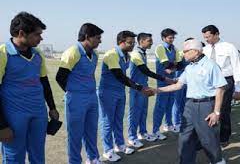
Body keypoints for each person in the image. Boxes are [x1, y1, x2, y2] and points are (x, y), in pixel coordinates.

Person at [155, 38, 227, 164]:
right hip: (189, 106)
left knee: (208, 139)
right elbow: (178, 85)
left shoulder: (211, 65)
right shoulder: (189, 68)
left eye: (186, 51)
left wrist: (216, 112)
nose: (183, 54)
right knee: (185, 137)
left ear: (195, 51)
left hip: (206, 105)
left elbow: (220, 88)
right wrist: (156, 90)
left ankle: (218, 161)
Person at [0, 12, 59, 163]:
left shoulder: (37, 54)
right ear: (21, 33)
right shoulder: (3, 54)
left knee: (38, 155)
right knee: (15, 158)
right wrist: (2, 126)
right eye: (37, 34)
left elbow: (44, 82)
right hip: (13, 116)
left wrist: (52, 107)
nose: (41, 38)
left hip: (38, 113)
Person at [98, 31, 155, 162]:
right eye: (130, 43)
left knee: (118, 120)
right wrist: (140, 88)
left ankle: (120, 145)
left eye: (133, 43)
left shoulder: (127, 56)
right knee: (108, 122)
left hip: (120, 91)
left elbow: (123, 77)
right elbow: (120, 76)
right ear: (121, 42)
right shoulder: (112, 54)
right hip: (107, 92)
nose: (132, 45)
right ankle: (108, 150)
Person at [56, 23, 103, 164]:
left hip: (92, 97)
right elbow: (60, 77)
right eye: (98, 38)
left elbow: (89, 75)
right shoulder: (73, 52)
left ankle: (93, 158)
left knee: (91, 130)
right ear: (87, 37)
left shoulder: (94, 54)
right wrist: (72, 93)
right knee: (75, 134)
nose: (100, 41)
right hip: (76, 98)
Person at [127, 33, 175, 148]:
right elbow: (145, 71)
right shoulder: (135, 54)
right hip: (137, 88)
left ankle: (142, 133)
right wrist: (164, 78)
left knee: (143, 111)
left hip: (145, 86)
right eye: (149, 41)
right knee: (135, 113)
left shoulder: (143, 53)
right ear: (141, 41)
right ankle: (131, 137)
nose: (151, 42)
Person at [202, 25, 240, 146]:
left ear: (216, 34)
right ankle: (209, 136)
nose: (206, 39)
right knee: (208, 109)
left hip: (225, 81)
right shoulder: (205, 49)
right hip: (209, 83)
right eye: (204, 37)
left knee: (223, 110)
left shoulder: (229, 47)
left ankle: (224, 137)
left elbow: (236, 68)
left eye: (208, 36)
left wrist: (238, 89)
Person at [152, 28, 184, 140]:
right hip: (163, 81)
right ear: (163, 38)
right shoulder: (160, 48)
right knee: (160, 106)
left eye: (173, 37)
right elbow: (166, 64)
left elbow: (179, 65)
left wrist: (173, 66)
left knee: (170, 104)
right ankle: (155, 130)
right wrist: (173, 65)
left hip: (173, 80)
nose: (172, 39)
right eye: (170, 38)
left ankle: (168, 125)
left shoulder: (174, 48)